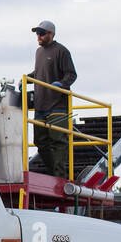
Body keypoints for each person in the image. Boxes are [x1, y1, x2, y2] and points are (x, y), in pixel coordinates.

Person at [29, 20, 77, 177]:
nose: (39, 36)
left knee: (58, 142)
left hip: (57, 106)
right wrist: (27, 79)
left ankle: (59, 176)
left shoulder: (62, 51)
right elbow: (39, 72)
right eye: (37, 33)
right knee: (40, 142)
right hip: (40, 105)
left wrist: (62, 84)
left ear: (51, 34)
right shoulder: (38, 52)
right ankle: (53, 172)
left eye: (42, 33)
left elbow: (71, 74)